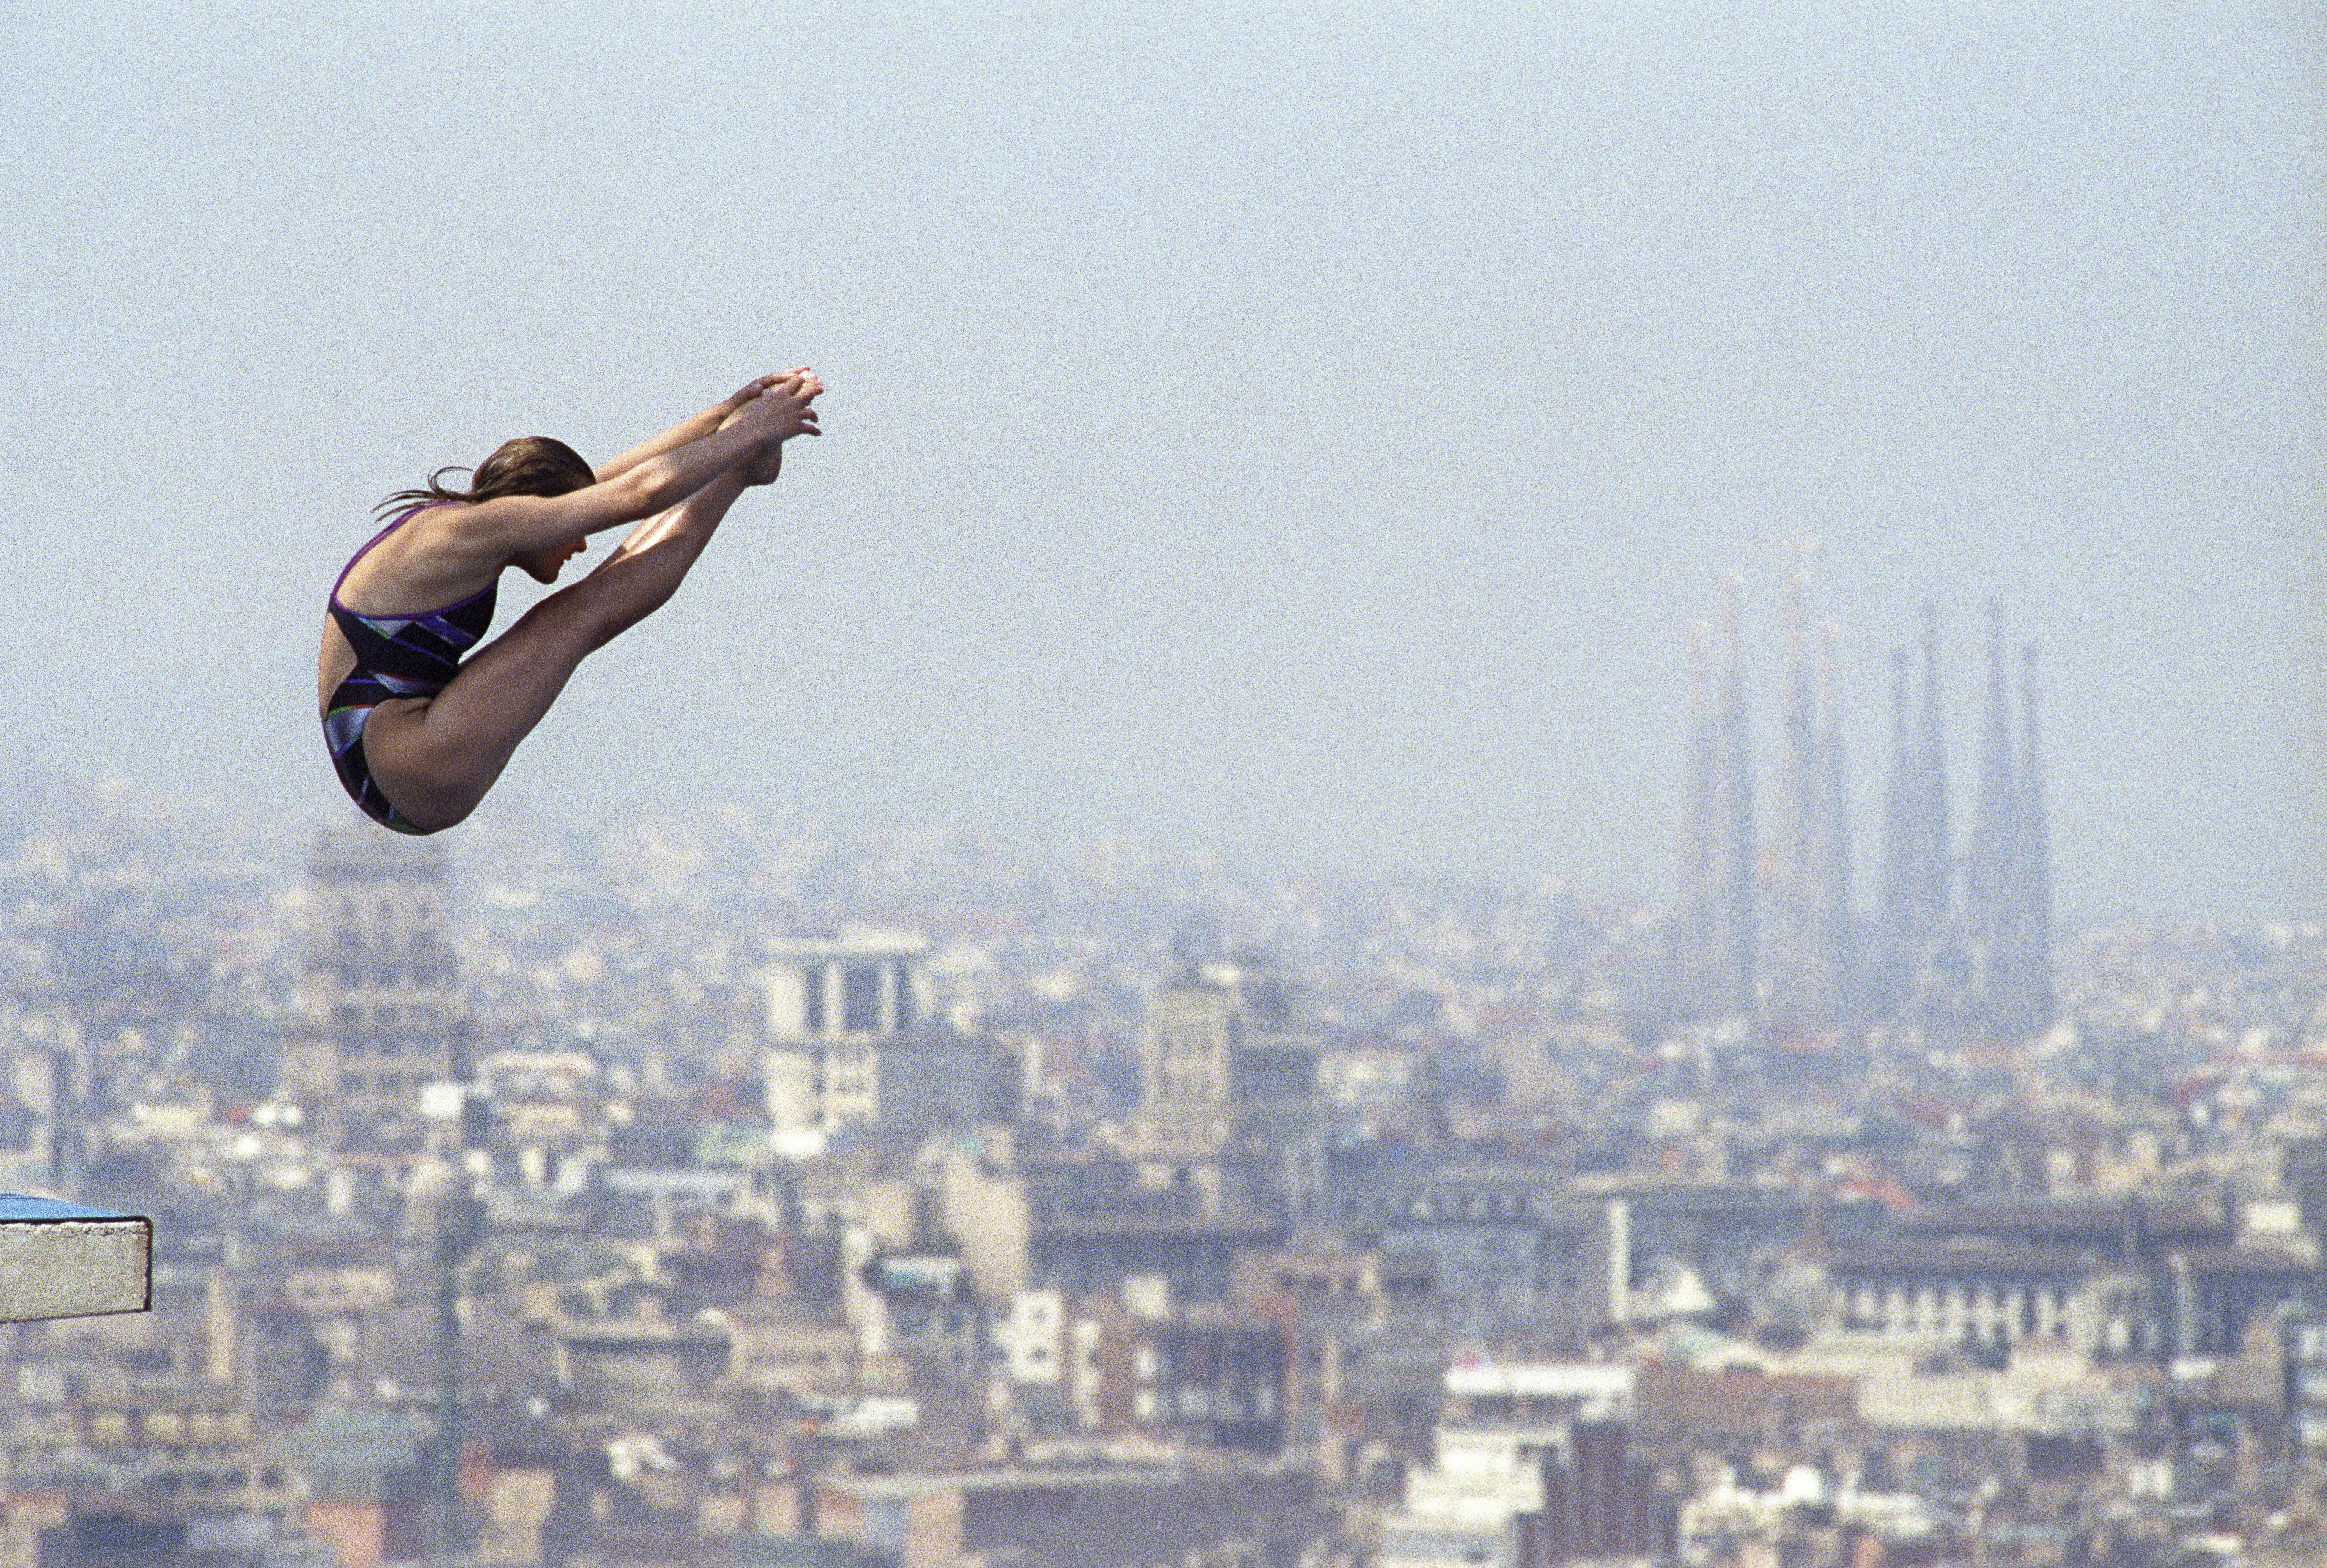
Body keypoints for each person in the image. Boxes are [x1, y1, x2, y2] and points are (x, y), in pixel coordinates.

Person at [319, 368, 823, 834]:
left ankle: (736, 471)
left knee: (571, 613)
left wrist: (724, 415)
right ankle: (737, 474)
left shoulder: (483, 522)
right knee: (574, 616)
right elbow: (640, 493)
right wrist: (751, 432)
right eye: (571, 532)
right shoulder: (463, 531)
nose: (581, 545)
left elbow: (607, 485)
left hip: (402, 761)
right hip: (405, 764)